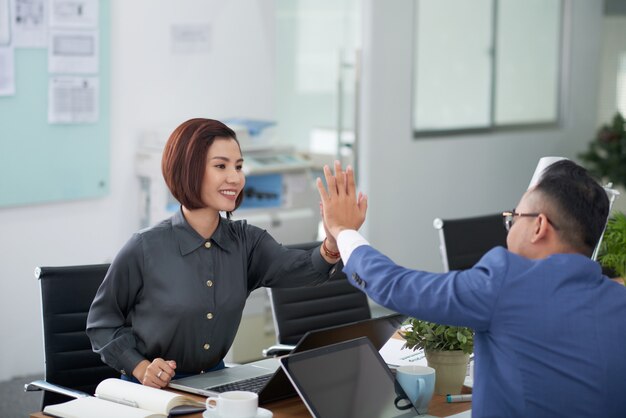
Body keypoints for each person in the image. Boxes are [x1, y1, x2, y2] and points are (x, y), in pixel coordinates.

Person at [316, 160, 626, 417]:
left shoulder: (509, 281)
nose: (509, 228)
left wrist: (343, 231)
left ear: (539, 226)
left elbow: (396, 285)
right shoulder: (618, 298)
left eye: (513, 219)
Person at [87, 118, 349, 388]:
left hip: (214, 384)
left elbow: (300, 269)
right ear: (189, 169)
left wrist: (331, 243)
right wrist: (140, 367)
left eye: (238, 166)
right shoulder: (144, 247)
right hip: (150, 392)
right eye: (221, 166)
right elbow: (101, 324)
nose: (235, 177)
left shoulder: (247, 241)